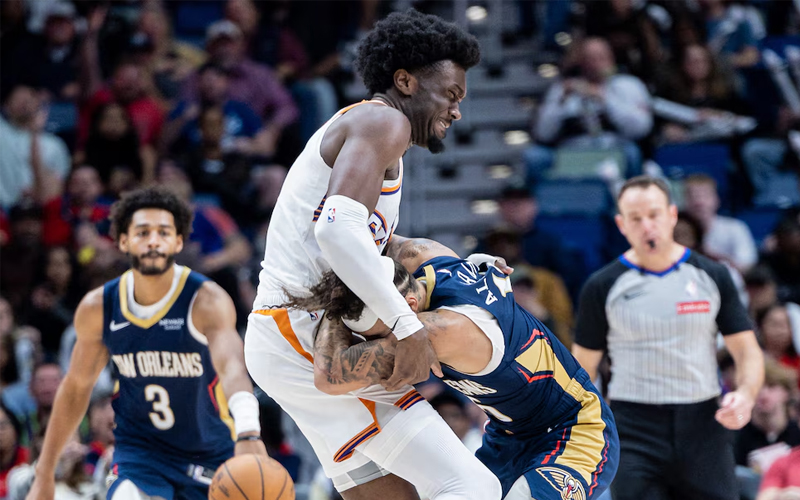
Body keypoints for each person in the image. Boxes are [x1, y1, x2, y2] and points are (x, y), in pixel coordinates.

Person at [243, 9, 496, 500]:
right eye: (451, 94)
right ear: (405, 81)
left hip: (285, 337)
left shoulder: (370, 132)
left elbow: (366, 239)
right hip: (303, 334)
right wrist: (408, 328)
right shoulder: (383, 121)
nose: (456, 111)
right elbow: (336, 231)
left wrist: (461, 267)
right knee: (471, 486)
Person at [281, 235, 619, 500]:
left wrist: (330, 309)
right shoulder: (421, 255)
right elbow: (373, 234)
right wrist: (348, 280)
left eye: (380, 335)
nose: (376, 343)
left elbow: (330, 376)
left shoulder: (443, 331)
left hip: (575, 428)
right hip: (508, 435)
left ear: (409, 307)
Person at [25, 187, 266, 500]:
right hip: (140, 455)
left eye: (163, 232)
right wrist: (44, 472)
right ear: (123, 241)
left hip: (209, 452)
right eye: (142, 232)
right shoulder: (100, 307)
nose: (153, 240)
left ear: (178, 241)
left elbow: (232, 367)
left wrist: (248, 430)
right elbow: (75, 388)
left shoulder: (205, 300)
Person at [571, 175, 764, 500]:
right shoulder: (602, 286)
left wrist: (745, 394)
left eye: (654, 214)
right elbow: (582, 369)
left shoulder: (713, 275)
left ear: (672, 215)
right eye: (636, 218)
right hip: (633, 425)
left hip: (703, 422)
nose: (647, 226)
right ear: (621, 224)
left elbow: (747, 351)